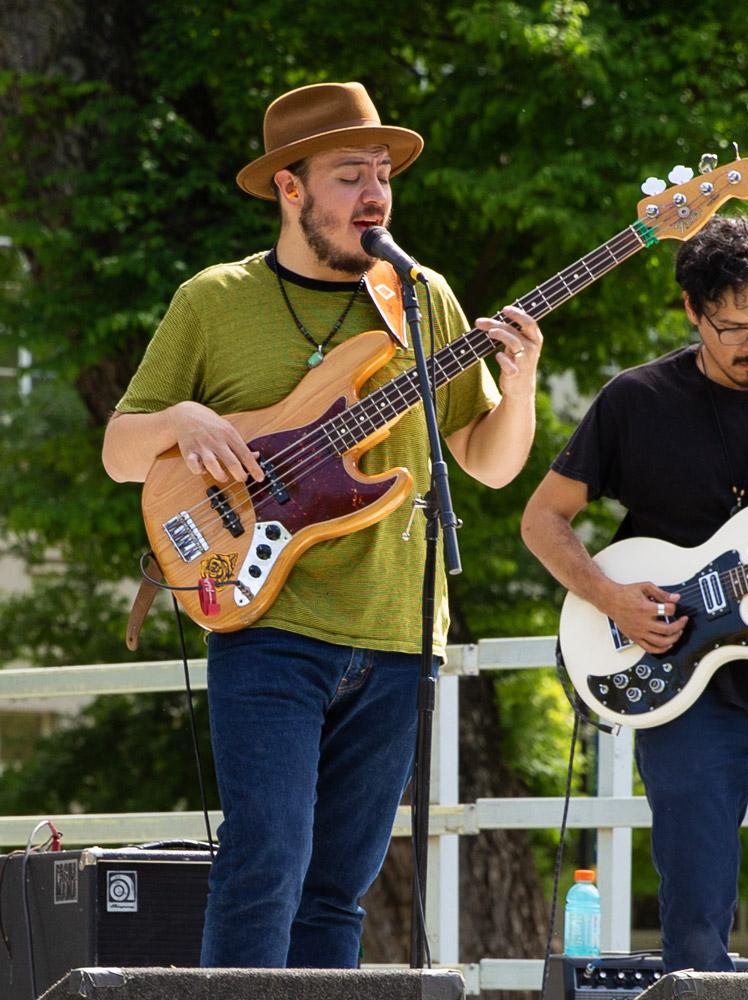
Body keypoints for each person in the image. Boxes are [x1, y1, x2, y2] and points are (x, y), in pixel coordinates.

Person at [101, 81, 543, 968]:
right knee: (266, 864)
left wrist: (523, 382)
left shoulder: (422, 300)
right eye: (350, 175)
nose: (375, 193)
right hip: (270, 622)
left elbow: (487, 462)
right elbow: (120, 449)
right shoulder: (214, 300)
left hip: (396, 628)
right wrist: (181, 421)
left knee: (339, 886)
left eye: (382, 174)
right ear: (289, 189)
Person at [521, 216, 748, 972]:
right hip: (685, 694)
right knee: (695, 914)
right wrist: (612, 596)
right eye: (733, 325)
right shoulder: (635, 401)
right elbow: (543, 520)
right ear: (692, 310)